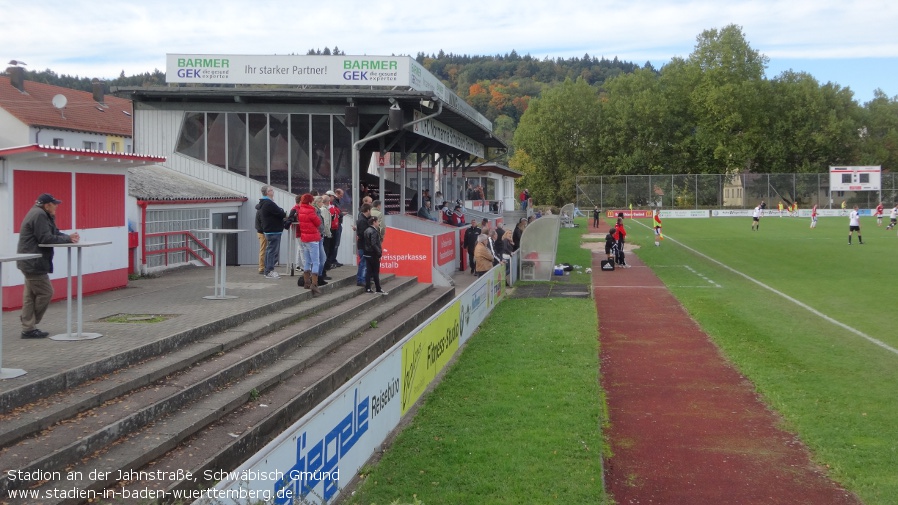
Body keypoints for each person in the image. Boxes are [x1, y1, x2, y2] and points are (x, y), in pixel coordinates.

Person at [16, 193, 81, 339]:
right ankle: (29, 322)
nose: (57, 206)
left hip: (29, 261)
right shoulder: (39, 215)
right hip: (33, 262)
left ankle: (28, 328)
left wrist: (68, 237)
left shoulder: (40, 213)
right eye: (54, 204)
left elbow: (53, 233)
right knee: (46, 292)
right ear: (47, 205)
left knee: (30, 296)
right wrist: (67, 239)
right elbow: (45, 238)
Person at [295, 193, 323, 295]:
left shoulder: (300, 209)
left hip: (304, 238)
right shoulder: (311, 211)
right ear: (310, 201)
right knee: (316, 262)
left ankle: (306, 283)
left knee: (307, 261)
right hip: (313, 238)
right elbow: (318, 223)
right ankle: (314, 284)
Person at [258, 185, 286, 279]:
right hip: (273, 230)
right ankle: (269, 270)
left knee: (270, 250)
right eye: (271, 190)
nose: (273, 191)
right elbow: (281, 213)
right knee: (272, 251)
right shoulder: (269, 203)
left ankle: (268, 270)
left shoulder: (265, 203)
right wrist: (281, 211)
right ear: (267, 192)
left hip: (269, 230)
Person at [363, 215, 387, 294]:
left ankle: (368, 288)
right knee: (375, 272)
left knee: (368, 271)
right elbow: (374, 244)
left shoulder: (366, 230)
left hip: (367, 253)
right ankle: (378, 288)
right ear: (374, 222)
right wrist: (379, 253)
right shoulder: (373, 231)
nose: (379, 223)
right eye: (377, 221)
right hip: (373, 254)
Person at [355, 203, 372, 286]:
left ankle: (363, 279)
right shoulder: (362, 220)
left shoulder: (364, 219)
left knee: (365, 263)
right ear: (368, 210)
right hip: (363, 245)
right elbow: (362, 234)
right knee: (363, 263)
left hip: (364, 244)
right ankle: (360, 280)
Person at [254, 203, 267, 275]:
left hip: (260, 232)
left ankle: (262, 267)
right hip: (263, 233)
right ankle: (261, 267)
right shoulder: (261, 211)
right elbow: (263, 222)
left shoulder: (258, 210)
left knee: (263, 249)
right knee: (263, 250)